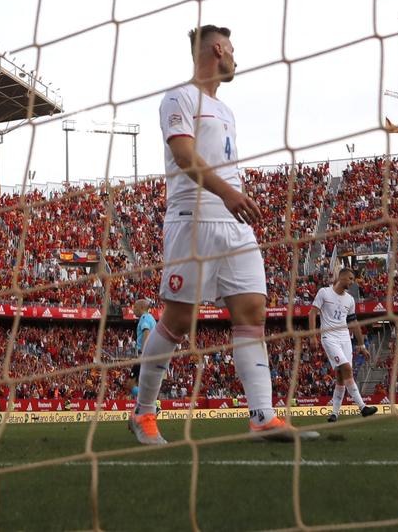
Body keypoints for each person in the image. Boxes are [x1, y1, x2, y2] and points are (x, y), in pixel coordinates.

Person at [130, 25, 313, 445]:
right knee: (178, 320)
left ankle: (262, 416)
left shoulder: (225, 109)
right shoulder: (178, 98)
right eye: (232, 49)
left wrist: (235, 198)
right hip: (193, 218)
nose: (235, 57)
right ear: (218, 49)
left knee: (252, 313)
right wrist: (229, 193)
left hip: (234, 223)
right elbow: (183, 154)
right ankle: (143, 414)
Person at [310, 269, 374, 421]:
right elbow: (312, 313)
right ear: (341, 277)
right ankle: (362, 407)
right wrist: (312, 336)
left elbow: (354, 322)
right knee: (346, 368)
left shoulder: (350, 300)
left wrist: (362, 345)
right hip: (329, 337)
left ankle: (334, 413)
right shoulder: (324, 293)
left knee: (341, 376)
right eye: (350, 278)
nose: (352, 282)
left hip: (345, 338)